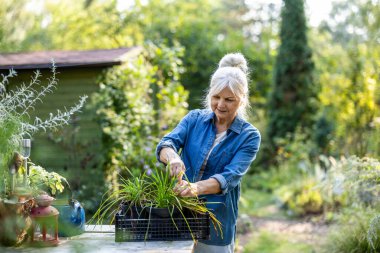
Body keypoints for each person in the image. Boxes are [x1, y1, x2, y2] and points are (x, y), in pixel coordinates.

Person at [155, 53, 261, 253]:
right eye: (216, 97)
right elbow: (166, 143)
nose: (221, 105)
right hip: (177, 217)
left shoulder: (249, 136)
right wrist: (173, 158)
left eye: (229, 99)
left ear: (242, 100)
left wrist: (194, 188)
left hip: (216, 224)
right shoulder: (194, 119)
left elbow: (229, 177)